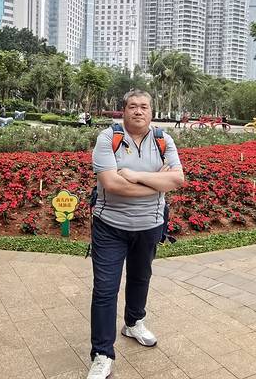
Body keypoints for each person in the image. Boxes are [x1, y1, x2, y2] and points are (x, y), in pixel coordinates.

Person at [87, 90, 184, 379]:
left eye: (143, 106)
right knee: (105, 290)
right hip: (109, 226)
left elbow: (178, 179)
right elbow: (112, 184)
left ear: (151, 112)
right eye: (132, 106)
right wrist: (157, 183)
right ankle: (102, 354)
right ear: (124, 111)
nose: (138, 111)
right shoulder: (108, 138)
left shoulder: (163, 140)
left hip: (150, 225)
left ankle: (133, 323)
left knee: (141, 278)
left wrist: (136, 175)